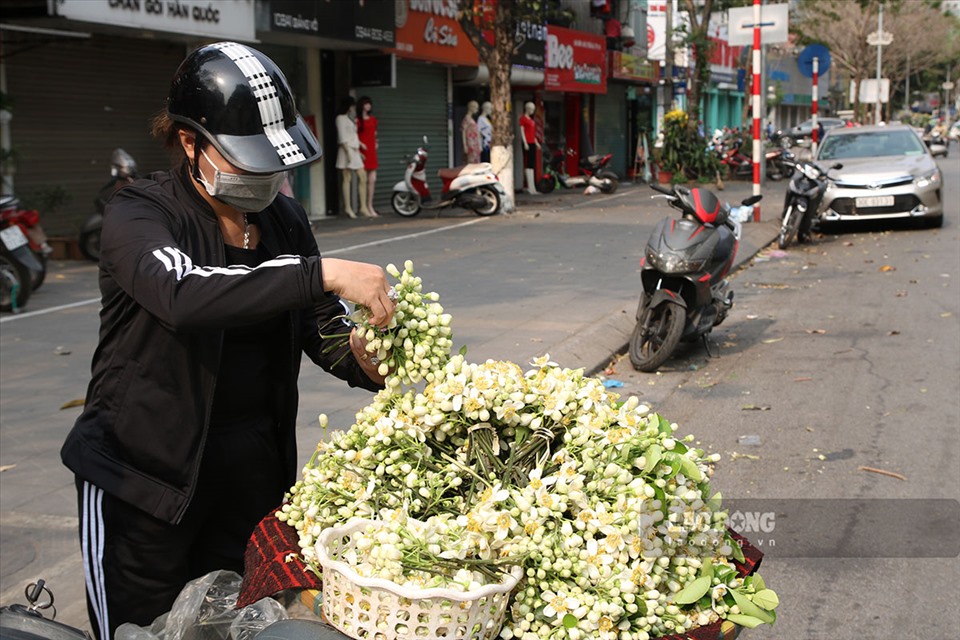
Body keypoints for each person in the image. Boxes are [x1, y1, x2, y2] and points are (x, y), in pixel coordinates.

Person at [59, 41, 396, 640]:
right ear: (190, 143)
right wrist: (321, 272)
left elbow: (322, 328)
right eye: (249, 161)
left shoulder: (285, 222)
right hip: (144, 487)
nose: (267, 178)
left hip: (248, 485)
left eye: (276, 164)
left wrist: (368, 359)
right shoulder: (139, 215)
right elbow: (185, 294)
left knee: (235, 627)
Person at [335, 96, 371, 218]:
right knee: (347, 178)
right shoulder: (340, 118)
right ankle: (348, 208)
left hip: (354, 150)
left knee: (363, 176)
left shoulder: (351, 119)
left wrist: (359, 149)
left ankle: (363, 207)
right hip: (346, 151)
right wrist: (349, 154)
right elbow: (342, 137)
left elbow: (353, 135)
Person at [356, 96, 380, 217]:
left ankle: (370, 205)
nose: (368, 106)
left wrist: (376, 143)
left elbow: (375, 134)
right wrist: (360, 144)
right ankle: (363, 206)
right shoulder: (358, 120)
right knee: (363, 180)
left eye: (369, 104)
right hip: (362, 151)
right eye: (366, 104)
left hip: (371, 150)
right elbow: (354, 135)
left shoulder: (373, 120)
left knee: (372, 180)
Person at [519, 101, 539, 195]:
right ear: (527, 109)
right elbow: (522, 131)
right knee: (528, 163)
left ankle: (533, 187)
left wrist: (536, 142)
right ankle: (529, 187)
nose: (532, 111)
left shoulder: (531, 120)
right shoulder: (523, 119)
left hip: (532, 142)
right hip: (527, 143)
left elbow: (533, 132)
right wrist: (525, 142)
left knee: (532, 164)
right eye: (531, 109)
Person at [461, 100, 481, 164]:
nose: (477, 110)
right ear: (471, 107)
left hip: (475, 143)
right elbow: (463, 131)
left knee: (475, 161)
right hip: (470, 143)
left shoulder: (471, 119)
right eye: (476, 108)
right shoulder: (467, 118)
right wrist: (465, 145)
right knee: (471, 161)